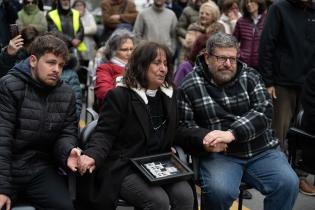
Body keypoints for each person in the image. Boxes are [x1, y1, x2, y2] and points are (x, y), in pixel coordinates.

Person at [176, 32, 299, 210]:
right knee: (219, 192)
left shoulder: (250, 76)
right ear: (207, 57)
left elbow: (264, 112)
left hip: (260, 150)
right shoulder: (189, 85)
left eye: (232, 59)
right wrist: (205, 139)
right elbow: (183, 128)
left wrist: (232, 133)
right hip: (220, 155)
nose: (228, 64)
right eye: (221, 58)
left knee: (288, 183)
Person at [76, 41, 195, 210]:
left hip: (158, 162)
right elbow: (104, 133)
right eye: (156, 63)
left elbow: (178, 130)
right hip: (126, 164)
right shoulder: (120, 95)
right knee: (158, 201)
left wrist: (205, 136)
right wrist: (92, 155)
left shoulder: (170, 94)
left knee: (185, 196)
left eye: (165, 63)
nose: (163, 69)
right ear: (141, 65)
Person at [0, 34, 81, 210]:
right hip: (7, 166)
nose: (56, 70)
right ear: (33, 61)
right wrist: (2, 188)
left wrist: (68, 151)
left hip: (39, 168)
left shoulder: (66, 94)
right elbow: (2, 140)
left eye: (60, 65)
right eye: (51, 62)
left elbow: (66, 134)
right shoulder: (9, 86)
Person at [258, 0, 315, 193]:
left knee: (306, 133)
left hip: (310, 84)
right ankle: (278, 174)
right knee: (278, 132)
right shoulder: (279, 8)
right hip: (282, 82)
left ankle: (299, 175)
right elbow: (266, 44)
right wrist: (268, 81)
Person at [94, 29, 134, 109]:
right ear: (113, 51)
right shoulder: (105, 68)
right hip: (116, 110)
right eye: (124, 49)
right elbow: (103, 93)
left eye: (131, 49)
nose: (129, 53)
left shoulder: (138, 66)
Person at [233, 0, 266, 71]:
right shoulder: (241, 21)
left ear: (258, 2)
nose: (248, 4)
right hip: (243, 64)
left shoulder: (267, 20)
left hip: (262, 64)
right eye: (246, 2)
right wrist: (240, 54)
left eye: (251, 1)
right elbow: (233, 41)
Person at [72, 0, 97, 66]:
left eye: (81, 5)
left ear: (84, 7)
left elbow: (93, 29)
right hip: (74, 42)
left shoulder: (89, 16)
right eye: (77, 5)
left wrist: (81, 32)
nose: (79, 7)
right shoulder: (71, 16)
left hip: (87, 43)